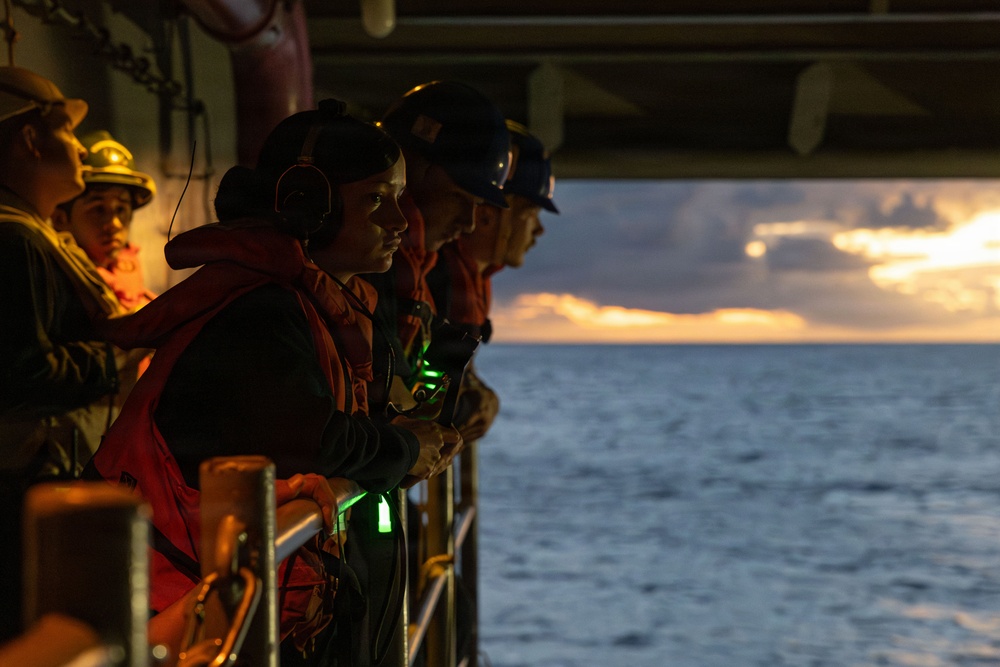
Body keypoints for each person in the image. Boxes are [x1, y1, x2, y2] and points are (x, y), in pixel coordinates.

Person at [86, 99, 460, 665]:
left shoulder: (315, 303)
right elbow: (313, 437)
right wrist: (408, 447)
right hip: (180, 607)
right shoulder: (259, 311)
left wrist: (397, 440)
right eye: (376, 201)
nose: (400, 223)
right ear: (309, 207)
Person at [0, 66, 121, 642]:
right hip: (25, 493)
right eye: (67, 133)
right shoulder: (13, 241)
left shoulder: (34, 233)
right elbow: (21, 373)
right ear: (29, 139)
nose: (78, 146)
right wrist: (122, 353)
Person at [428, 120, 560, 441]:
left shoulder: (469, 277)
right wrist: (473, 404)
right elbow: (425, 396)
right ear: (488, 214)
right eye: (530, 214)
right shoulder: (436, 275)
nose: (539, 231)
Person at [52, 130, 157, 311]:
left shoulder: (130, 279)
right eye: (98, 209)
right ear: (60, 219)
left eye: (121, 209)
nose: (115, 224)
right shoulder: (53, 287)